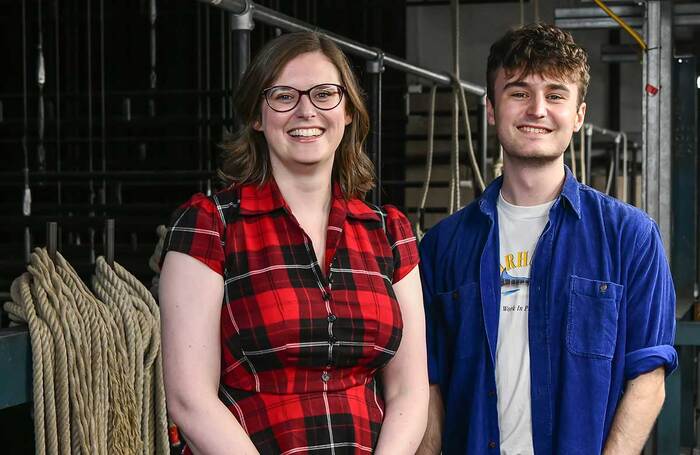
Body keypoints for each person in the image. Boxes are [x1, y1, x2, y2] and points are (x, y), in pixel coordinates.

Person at [158, 31, 428, 455]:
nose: (306, 111)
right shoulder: (211, 226)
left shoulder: (390, 233)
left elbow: (408, 394)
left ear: (349, 112)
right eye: (284, 96)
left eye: (325, 94)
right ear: (256, 116)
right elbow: (190, 401)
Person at [417, 23, 677, 455]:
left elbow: (647, 378)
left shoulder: (629, 237)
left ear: (578, 115)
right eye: (519, 92)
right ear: (490, 108)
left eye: (555, 95)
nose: (537, 109)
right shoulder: (442, 246)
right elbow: (428, 383)